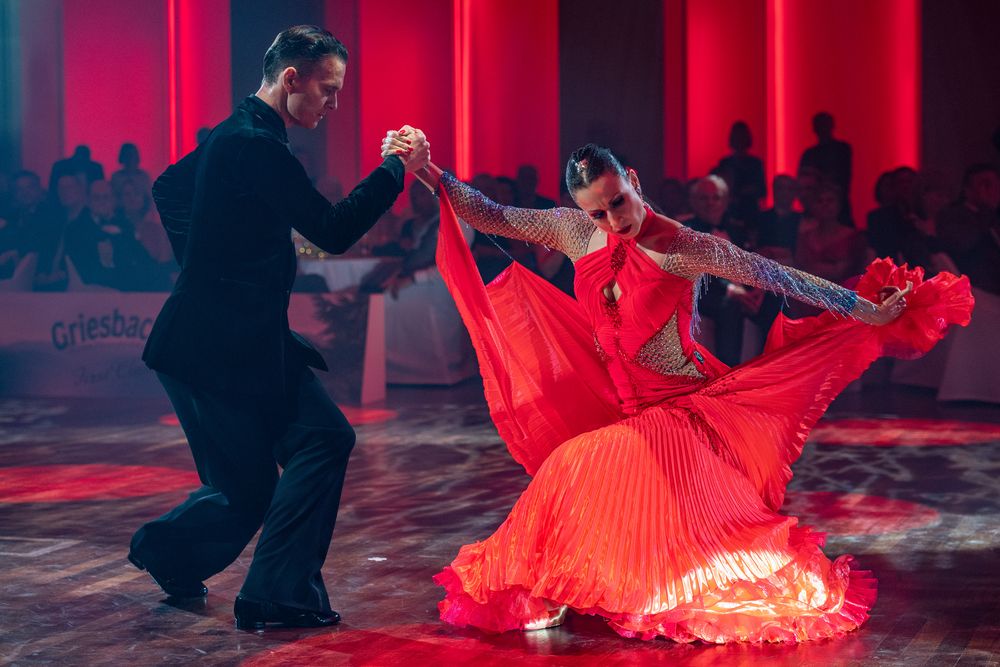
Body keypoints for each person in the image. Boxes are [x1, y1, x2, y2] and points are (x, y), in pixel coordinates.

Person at [383, 139, 972, 643]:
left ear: (633, 181)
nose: (613, 220)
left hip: (684, 410)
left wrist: (864, 308)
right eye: (598, 212)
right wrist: (429, 171)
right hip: (626, 407)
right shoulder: (572, 230)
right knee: (604, 488)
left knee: (574, 463)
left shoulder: (684, 246)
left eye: (618, 202)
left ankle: (551, 584)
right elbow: (492, 214)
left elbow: (778, 275)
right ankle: (554, 585)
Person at [129, 25, 429, 630]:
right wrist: (395, 169)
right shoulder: (253, 145)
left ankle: (205, 567)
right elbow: (334, 228)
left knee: (307, 449)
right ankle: (269, 594)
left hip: (238, 343)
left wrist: (218, 260)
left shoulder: (237, 134)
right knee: (256, 484)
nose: (333, 105)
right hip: (213, 350)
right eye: (328, 90)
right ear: (292, 78)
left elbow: (170, 189)